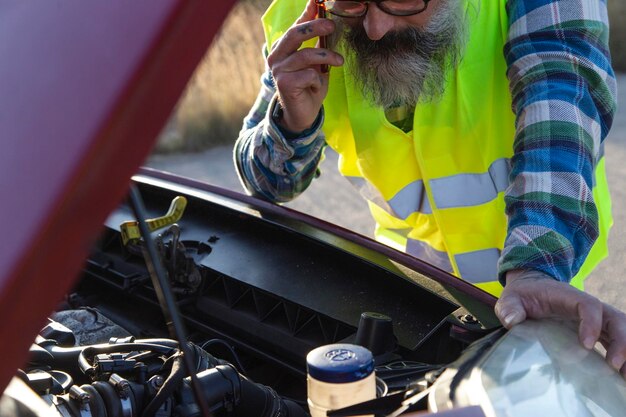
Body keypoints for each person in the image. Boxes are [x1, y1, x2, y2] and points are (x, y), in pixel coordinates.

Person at [234, 0, 626, 375]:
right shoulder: (304, 13)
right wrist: (291, 124)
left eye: (404, 1)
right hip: (406, 295)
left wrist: (536, 268)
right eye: (353, 2)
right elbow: (263, 182)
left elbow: (562, 91)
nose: (375, 29)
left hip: (530, 297)